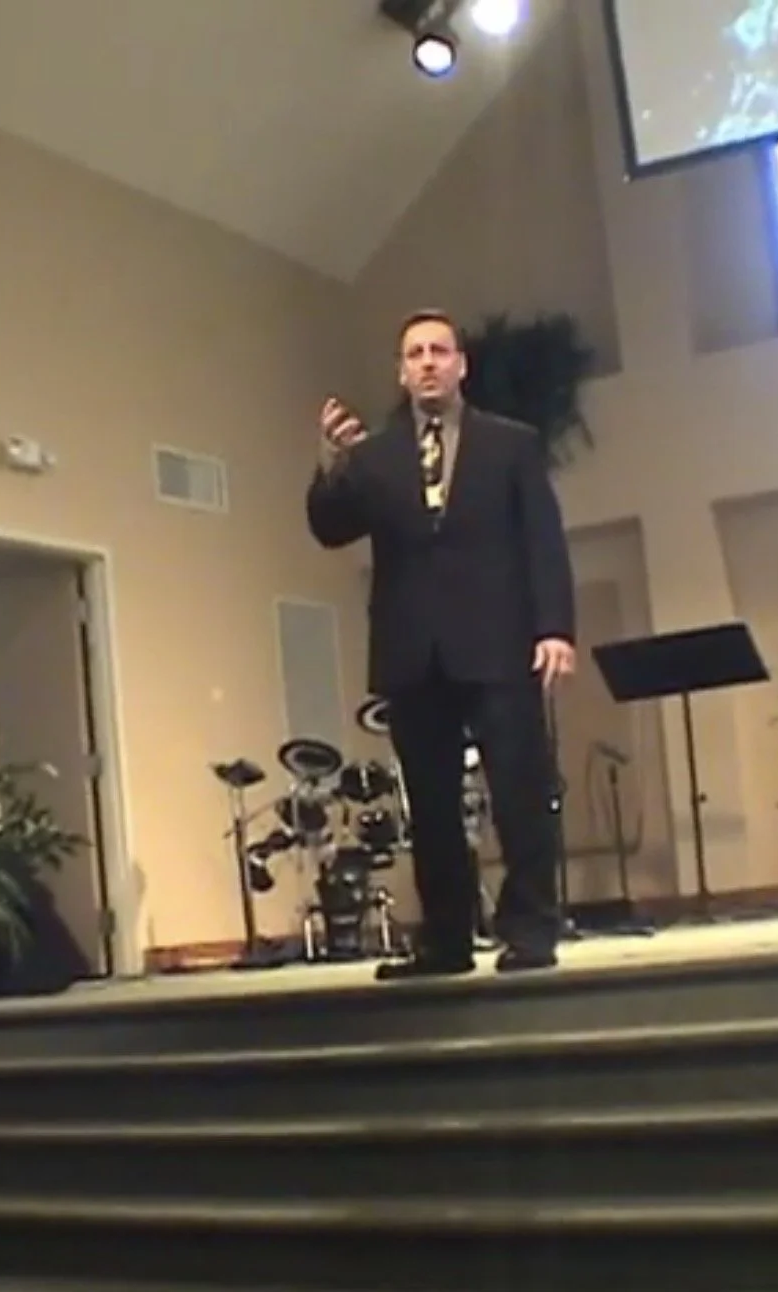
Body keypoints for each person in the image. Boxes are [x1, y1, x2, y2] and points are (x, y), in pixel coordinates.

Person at [306, 308, 577, 979]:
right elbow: (331, 529)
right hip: (412, 653)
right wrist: (330, 467)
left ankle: (530, 931)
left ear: (461, 365)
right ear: (401, 372)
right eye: (415, 354)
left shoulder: (510, 444)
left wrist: (555, 629)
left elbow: (543, 539)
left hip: (499, 643)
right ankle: (445, 942)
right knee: (429, 807)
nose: (427, 362)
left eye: (439, 351)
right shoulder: (374, 456)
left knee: (519, 791)